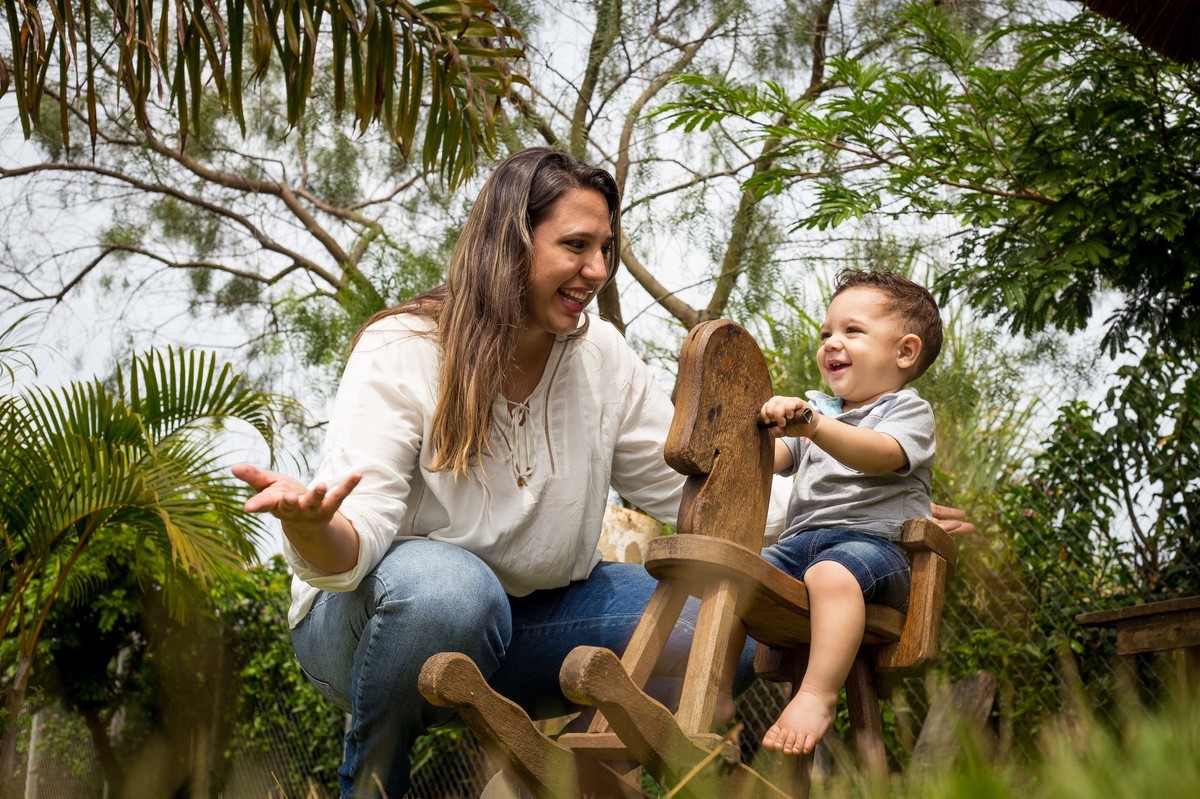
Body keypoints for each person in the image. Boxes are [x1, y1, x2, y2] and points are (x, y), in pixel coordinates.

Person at [231, 147, 763, 798]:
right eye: (575, 244)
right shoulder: (406, 348)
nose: (597, 269)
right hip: (373, 622)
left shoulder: (603, 357)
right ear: (511, 243)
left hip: (535, 624)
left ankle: (536, 780)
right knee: (452, 591)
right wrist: (313, 527)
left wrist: (846, 500)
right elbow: (354, 540)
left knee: (723, 632)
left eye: (606, 247)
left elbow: (688, 483)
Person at [752, 268, 944, 757]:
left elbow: (877, 454)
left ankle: (816, 696)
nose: (831, 343)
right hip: (798, 547)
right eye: (826, 333)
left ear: (904, 351)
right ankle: (707, 693)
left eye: (851, 331)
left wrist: (812, 425)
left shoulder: (907, 412)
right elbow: (772, 462)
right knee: (737, 577)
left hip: (875, 552)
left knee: (832, 575)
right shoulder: (818, 409)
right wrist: (760, 431)